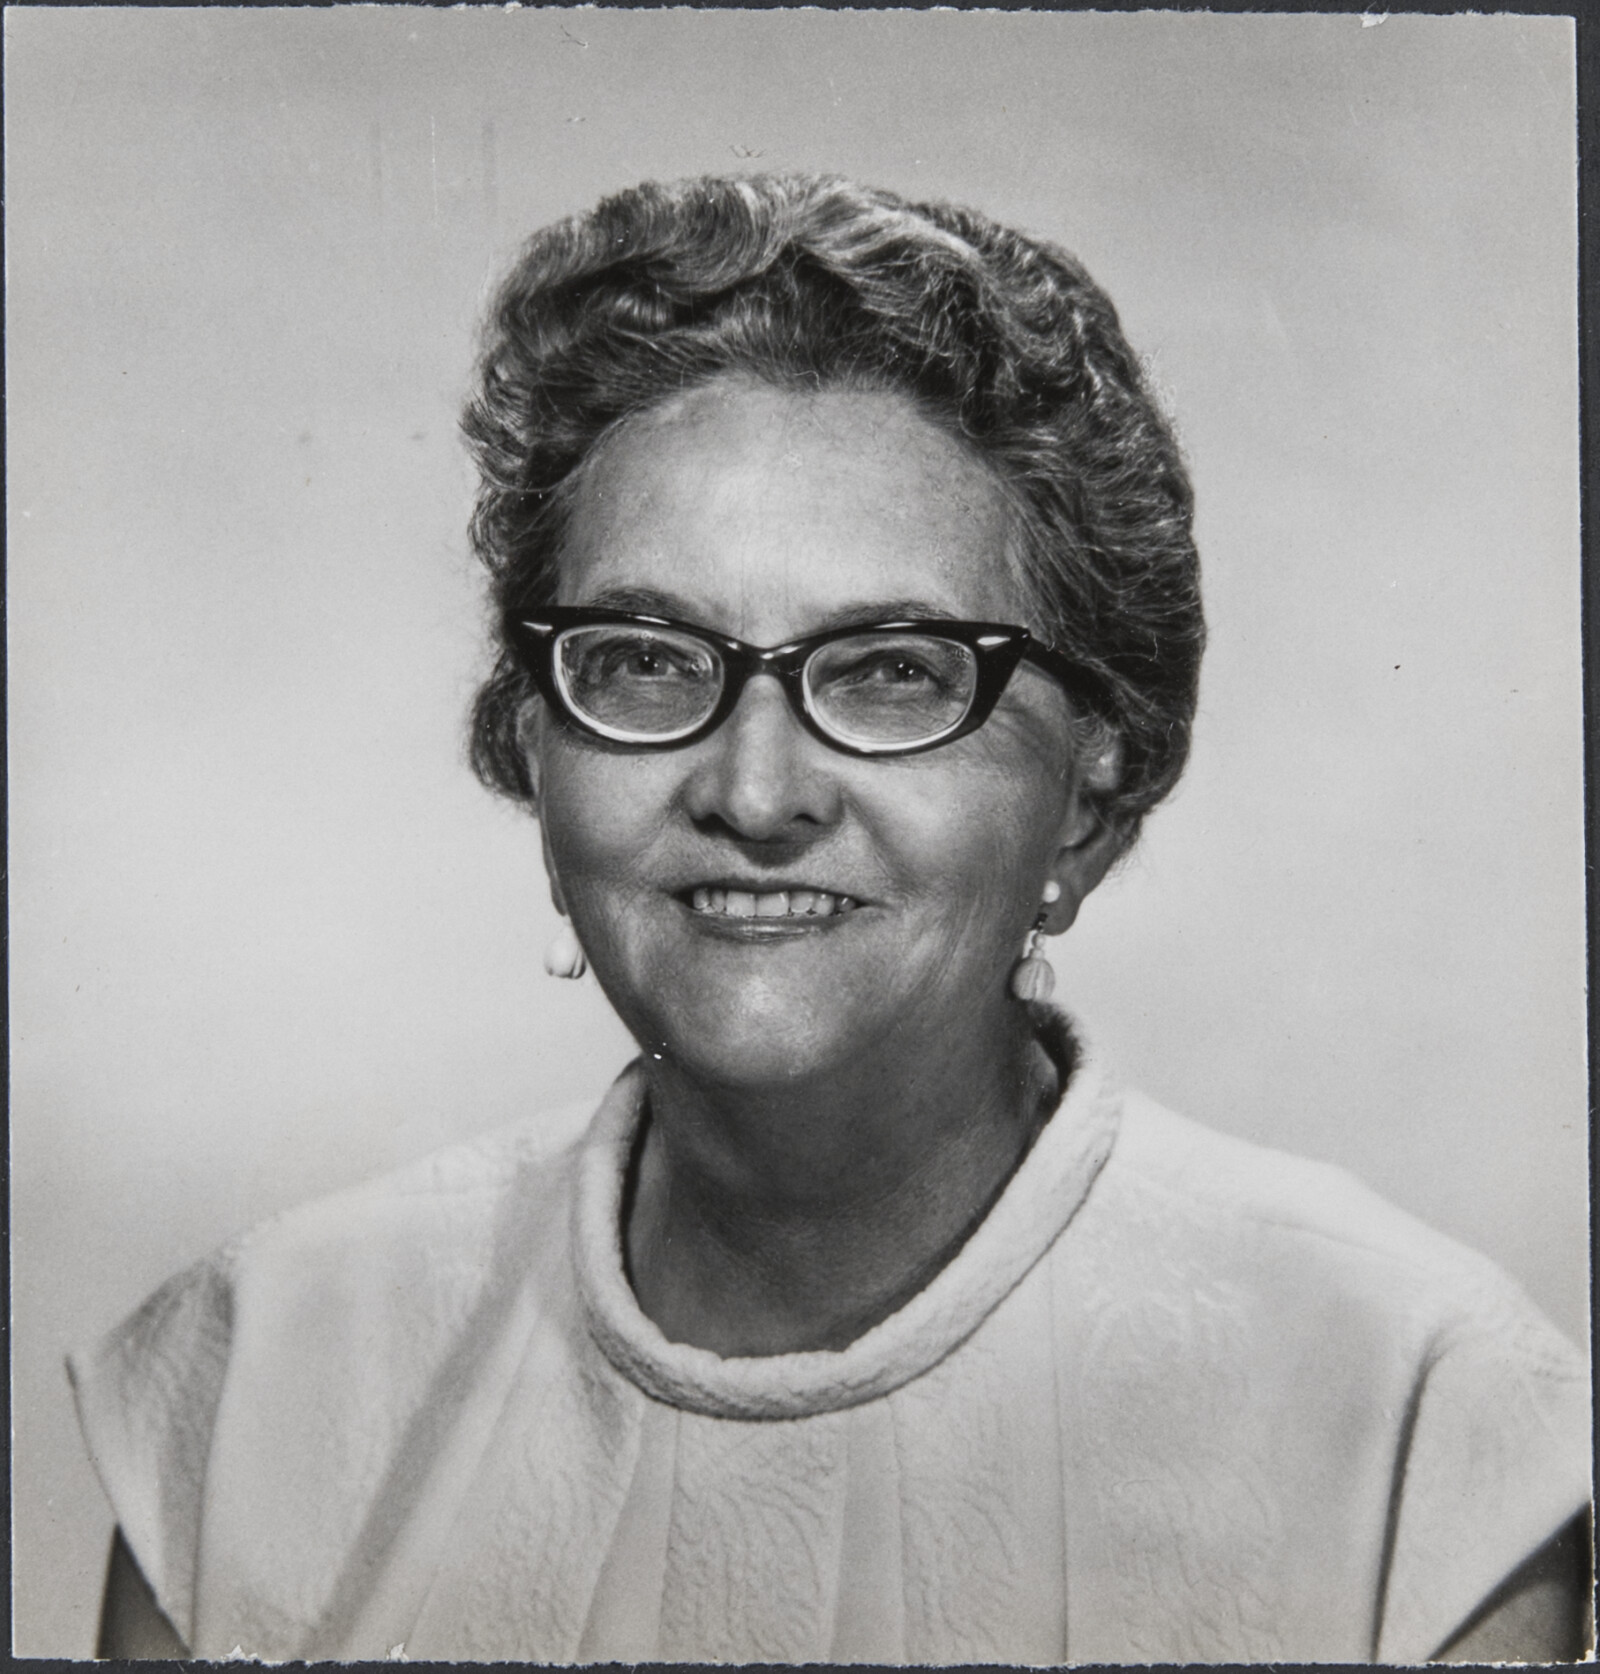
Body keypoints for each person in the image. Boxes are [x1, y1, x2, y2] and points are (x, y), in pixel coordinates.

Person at [72, 173, 1589, 1664]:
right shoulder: (249, 1387)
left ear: (1089, 785)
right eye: (651, 660)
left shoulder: (1418, 1420)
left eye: (891, 669)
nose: (755, 787)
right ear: (533, 745)